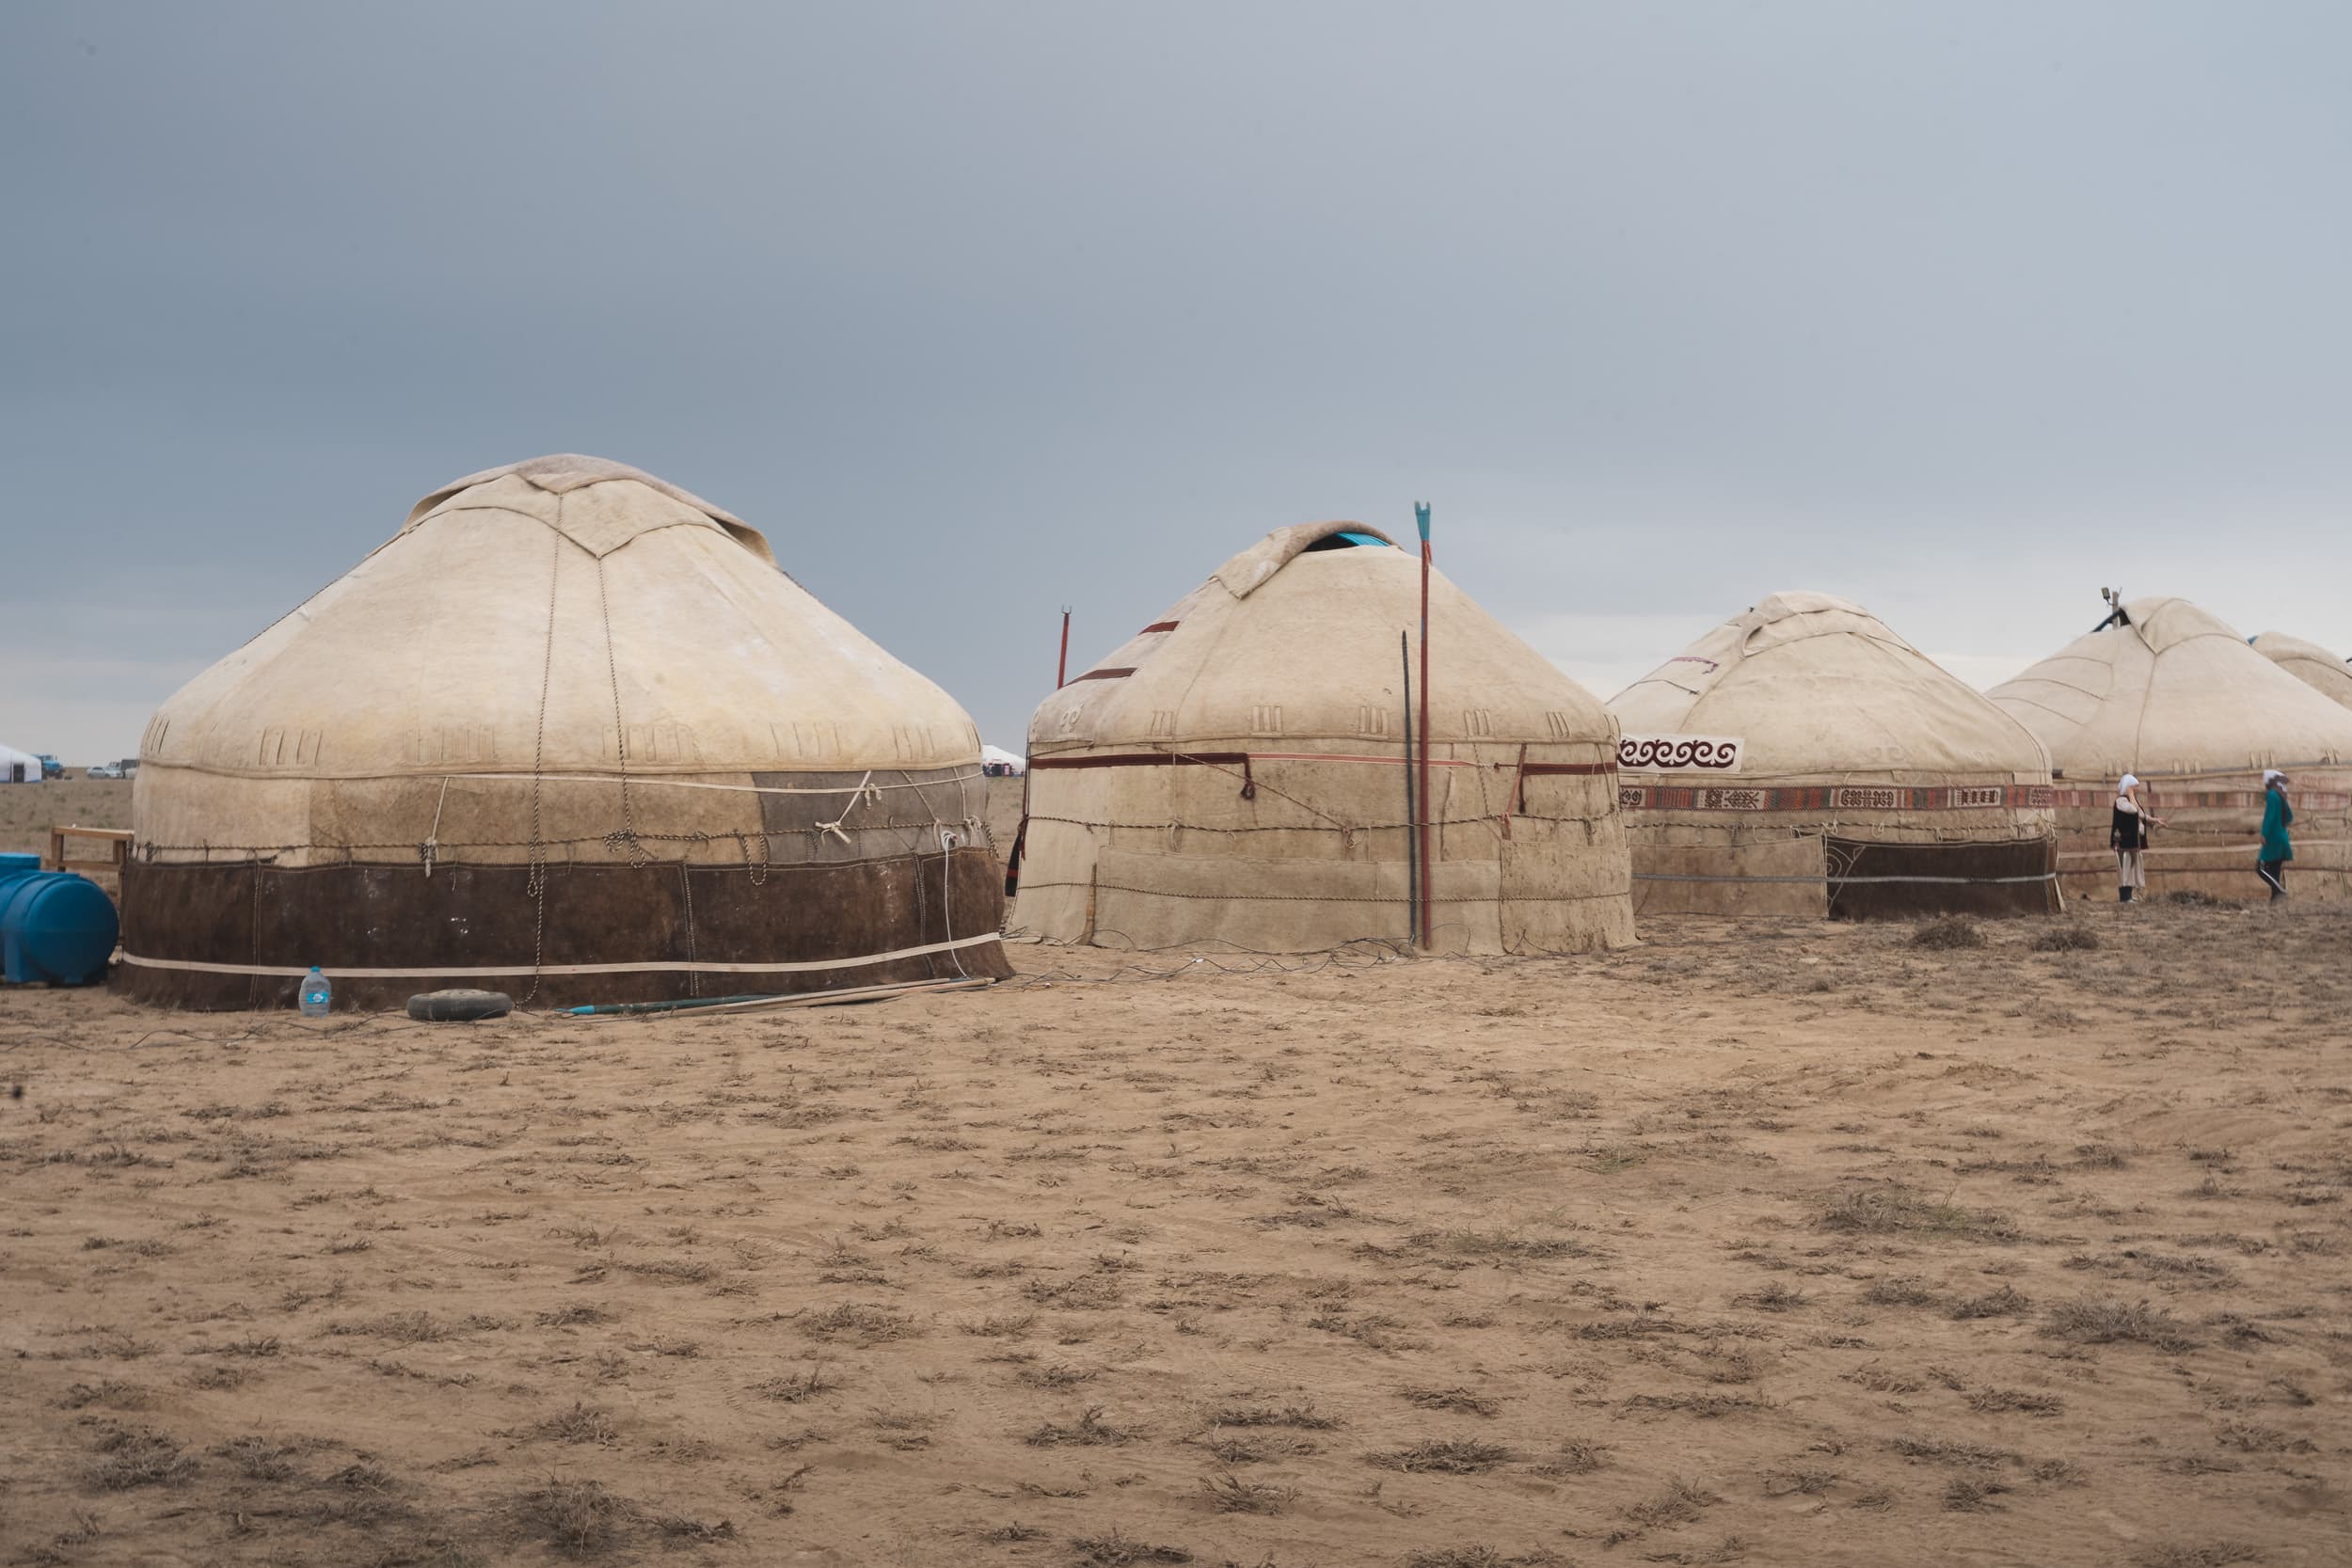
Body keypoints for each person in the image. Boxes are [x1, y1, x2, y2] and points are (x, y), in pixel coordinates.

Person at [2110, 773, 2166, 902]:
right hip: (2123, 841)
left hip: (2133, 841)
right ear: (2129, 787)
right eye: (2135, 786)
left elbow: (2141, 815)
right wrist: (2130, 795)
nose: (2137, 789)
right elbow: (2134, 811)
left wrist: (2155, 820)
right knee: (2125, 868)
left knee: (2132, 867)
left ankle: (2129, 896)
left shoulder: (2133, 800)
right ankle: (2125, 898)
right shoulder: (2121, 801)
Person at [2258, 769, 2294, 899]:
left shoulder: (2272, 794)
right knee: (2274, 870)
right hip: (2282, 836)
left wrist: (2264, 833)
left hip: (2273, 838)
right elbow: (2289, 817)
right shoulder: (2281, 795)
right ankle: (2275, 903)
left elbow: (2269, 816)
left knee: (2260, 868)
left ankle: (2279, 891)